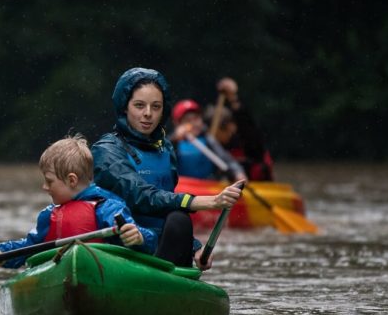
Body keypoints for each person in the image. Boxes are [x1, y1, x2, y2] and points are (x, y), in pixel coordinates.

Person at [92, 67, 243, 270]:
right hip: (122, 247)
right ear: (124, 107)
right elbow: (140, 195)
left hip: (159, 251)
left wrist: (195, 248)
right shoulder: (106, 150)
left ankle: (167, 280)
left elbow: (165, 208)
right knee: (180, 215)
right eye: (139, 105)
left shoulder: (166, 149)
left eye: (156, 107)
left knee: (179, 220)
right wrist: (204, 201)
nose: (148, 114)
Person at [0, 134, 156, 269]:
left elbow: (150, 241)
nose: (44, 187)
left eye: (49, 181)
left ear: (71, 180)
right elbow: (29, 247)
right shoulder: (48, 216)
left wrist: (139, 236)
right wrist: (1, 251)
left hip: (105, 273)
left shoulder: (108, 208)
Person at [208, 77, 275, 181]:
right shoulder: (210, 144)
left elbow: (245, 121)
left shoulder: (248, 140)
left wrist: (233, 97)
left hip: (256, 183)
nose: (213, 136)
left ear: (230, 127)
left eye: (218, 132)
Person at [170, 98, 246, 182]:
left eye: (196, 118)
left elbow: (227, 160)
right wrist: (174, 140)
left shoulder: (208, 139)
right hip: (183, 190)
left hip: (206, 189)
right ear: (178, 124)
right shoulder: (172, 143)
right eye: (188, 120)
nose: (194, 123)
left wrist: (238, 172)